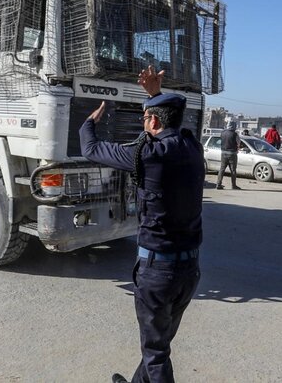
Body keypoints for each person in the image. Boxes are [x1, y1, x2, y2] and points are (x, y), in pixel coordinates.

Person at [79, 66, 203, 383]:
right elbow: (174, 120)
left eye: (145, 118)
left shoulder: (147, 155)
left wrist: (89, 121)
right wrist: (155, 97)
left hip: (158, 274)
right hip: (189, 271)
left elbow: (91, 149)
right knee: (157, 344)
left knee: (156, 353)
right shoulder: (192, 148)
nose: (142, 122)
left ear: (153, 122)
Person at [216, 121, 241, 190]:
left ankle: (218, 184)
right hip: (232, 154)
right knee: (233, 170)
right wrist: (237, 149)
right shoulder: (235, 134)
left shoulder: (222, 133)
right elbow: (238, 143)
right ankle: (233, 185)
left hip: (223, 153)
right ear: (234, 126)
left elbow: (220, 141)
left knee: (222, 169)